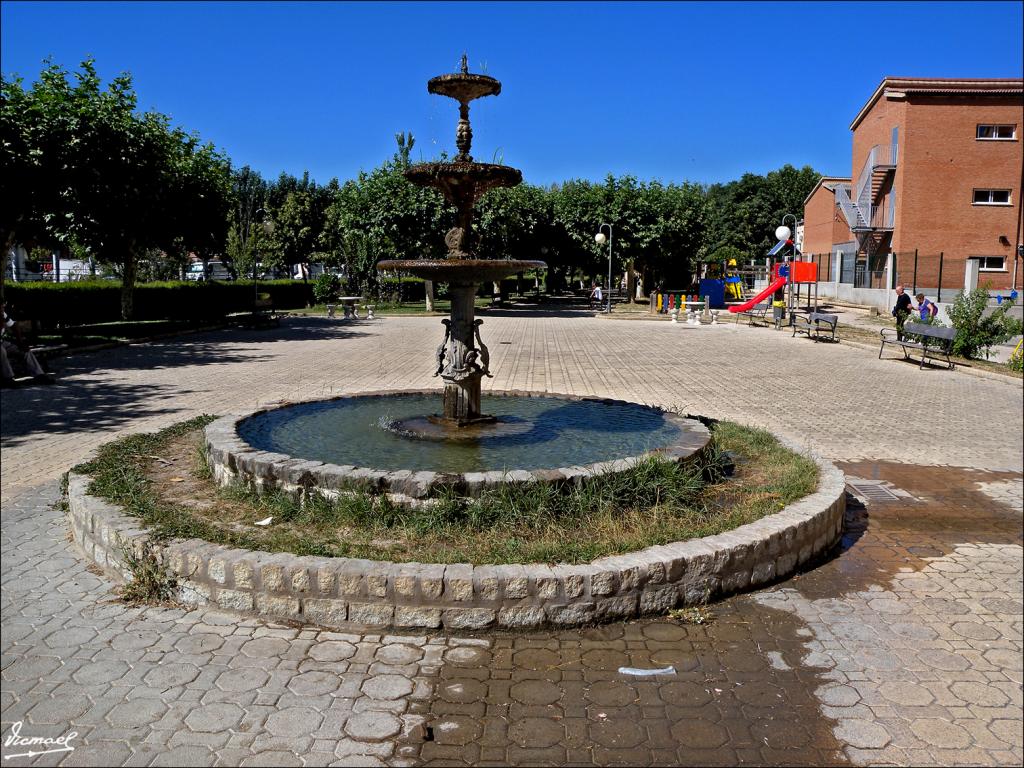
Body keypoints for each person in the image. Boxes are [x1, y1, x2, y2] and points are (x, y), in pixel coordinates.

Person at [1, 303, 54, 387]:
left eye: (3, 305)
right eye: (1, 306)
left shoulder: (2, 314)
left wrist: (20, 342)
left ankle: (39, 375)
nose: (3, 307)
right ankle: (8, 379)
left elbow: (14, 326)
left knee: (24, 350)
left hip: (2, 342)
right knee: (1, 350)